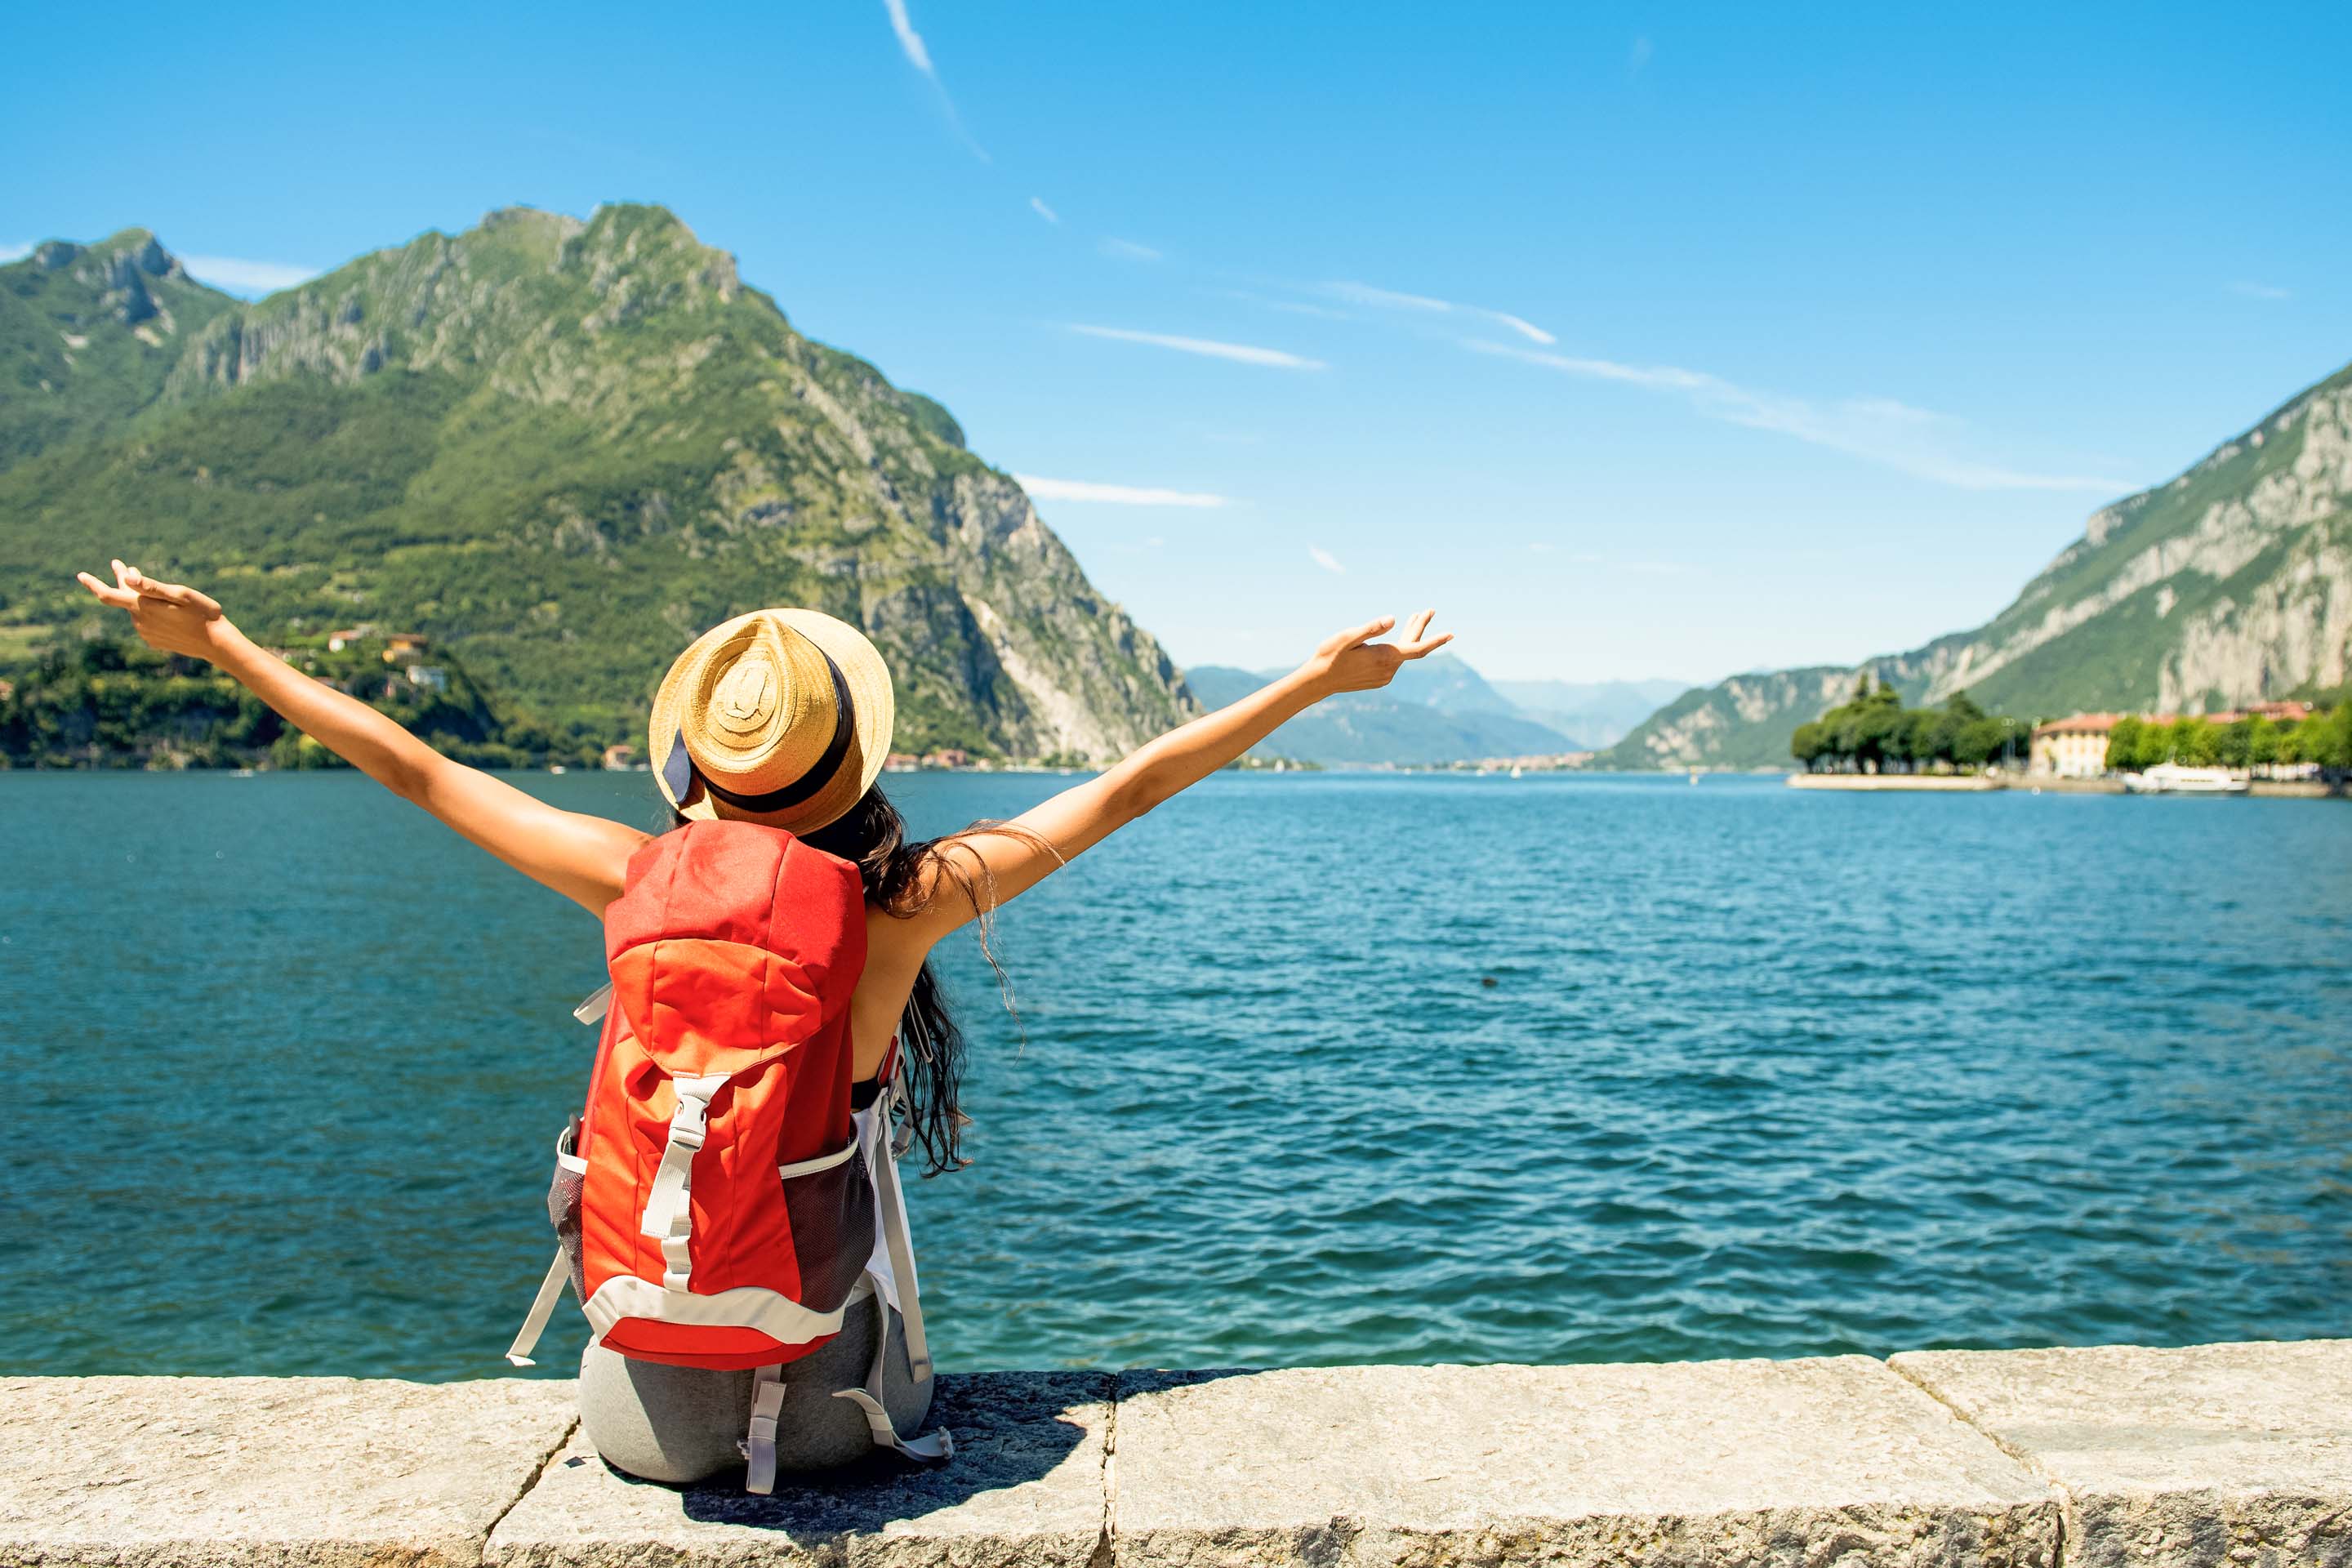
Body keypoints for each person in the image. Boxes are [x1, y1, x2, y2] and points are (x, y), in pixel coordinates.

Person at [77, 558, 1452, 1480]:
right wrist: (1317, 686)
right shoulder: (903, 900)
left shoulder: (630, 876)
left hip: (638, 1420)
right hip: (841, 1420)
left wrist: (221, 642)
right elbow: (1128, 789)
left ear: (691, 766)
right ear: (851, 760)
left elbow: (419, 772)